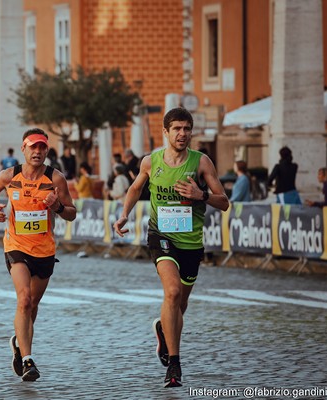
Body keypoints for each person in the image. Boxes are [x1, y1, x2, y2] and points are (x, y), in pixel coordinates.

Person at [113, 107, 229, 388]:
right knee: (173, 291)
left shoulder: (201, 163)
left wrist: (200, 195)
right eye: (176, 129)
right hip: (161, 236)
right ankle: (174, 365)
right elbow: (135, 189)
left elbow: (223, 201)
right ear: (165, 132)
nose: (182, 134)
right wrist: (124, 214)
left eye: (187, 129)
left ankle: (164, 333)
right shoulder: (150, 162)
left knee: (180, 303)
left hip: (191, 241)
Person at [0, 128, 76, 382]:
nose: (37, 152)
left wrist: (57, 206)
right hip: (16, 245)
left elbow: (72, 212)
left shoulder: (55, 179)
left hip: (44, 249)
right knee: (24, 299)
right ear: (23, 149)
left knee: (32, 306)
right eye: (32, 147)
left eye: (42, 148)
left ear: (46, 151)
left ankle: (19, 340)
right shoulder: (9, 175)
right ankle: (27, 360)